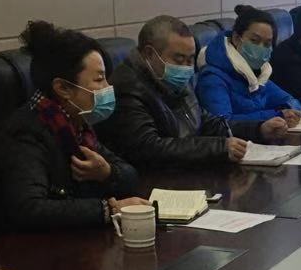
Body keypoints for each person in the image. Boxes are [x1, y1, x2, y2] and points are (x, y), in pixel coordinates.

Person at [0, 21, 144, 245]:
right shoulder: (25, 132)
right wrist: (109, 209)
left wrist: (107, 172)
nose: (108, 87)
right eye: (99, 79)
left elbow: (130, 176)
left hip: (60, 244)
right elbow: (30, 209)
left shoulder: (76, 124)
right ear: (63, 88)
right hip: (2, 253)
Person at [97, 15, 289, 172]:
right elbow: (150, 148)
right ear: (149, 54)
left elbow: (205, 122)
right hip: (154, 183)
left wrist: (258, 129)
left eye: (190, 59)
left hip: (187, 171)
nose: (186, 67)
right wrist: (219, 148)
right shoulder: (128, 89)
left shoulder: (172, 78)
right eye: (179, 59)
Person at [194, 5, 301, 124]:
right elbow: (222, 123)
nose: (261, 48)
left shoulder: (258, 73)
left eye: (267, 44)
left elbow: (291, 102)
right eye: (254, 41)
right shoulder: (213, 79)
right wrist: (276, 115)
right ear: (236, 38)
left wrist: (290, 112)